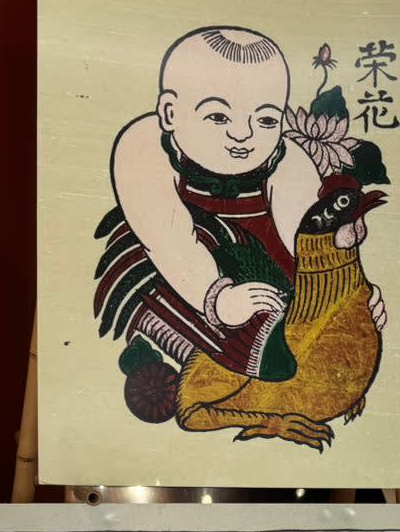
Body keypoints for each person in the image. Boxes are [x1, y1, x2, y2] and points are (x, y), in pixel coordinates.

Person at [94, 26, 384, 382]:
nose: (243, 134)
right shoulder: (144, 146)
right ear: (170, 112)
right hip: (180, 274)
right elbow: (168, 240)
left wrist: (350, 294)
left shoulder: (286, 159)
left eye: (266, 119)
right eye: (219, 117)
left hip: (269, 275)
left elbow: (305, 244)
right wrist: (217, 298)